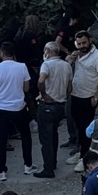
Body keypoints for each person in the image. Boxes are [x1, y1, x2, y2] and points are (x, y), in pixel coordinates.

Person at [0, 42, 34, 182]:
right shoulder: (22, 67)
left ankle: (2, 170)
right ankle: (28, 165)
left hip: (1, 108)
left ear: (2, 53)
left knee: (1, 139)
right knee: (26, 136)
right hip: (18, 107)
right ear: (13, 53)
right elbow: (26, 89)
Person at [67, 32, 98, 160]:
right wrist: (71, 58)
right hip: (75, 94)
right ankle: (81, 150)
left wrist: (96, 96)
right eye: (79, 44)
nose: (82, 46)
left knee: (86, 127)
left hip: (88, 97)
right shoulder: (78, 55)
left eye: (84, 43)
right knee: (77, 124)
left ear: (89, 41)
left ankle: (85, 156)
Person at [34, 41, 71, 178]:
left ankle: (48, 169)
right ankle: (53, 162)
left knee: (46, 138)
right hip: (60, 105)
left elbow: (41, 81)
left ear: (48, 51)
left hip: (48, 105)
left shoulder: (47, 64)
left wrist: (44, 95)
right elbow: (69, 86)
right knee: (53, 134)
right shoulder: (66, 65)